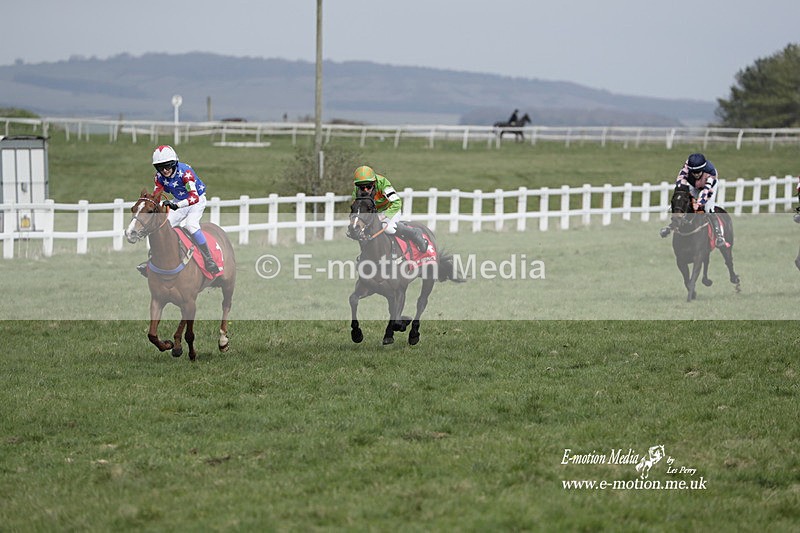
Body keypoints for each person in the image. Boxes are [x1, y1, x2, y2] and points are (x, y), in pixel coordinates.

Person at [137, 145, 220, 276]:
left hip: (196, 201)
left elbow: (193, 197)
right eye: (160, 167)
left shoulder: (185, 173)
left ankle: (209, 260)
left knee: (190, 225)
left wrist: (176, 205)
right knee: (161, 226)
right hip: (179, 201)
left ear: (174, 163)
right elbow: (156, 195)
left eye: (168, 166)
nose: (164, 170)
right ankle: (152, 261)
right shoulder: (158, 177)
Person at [352, 165, 431, 253]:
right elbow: (357, 206)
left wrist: (384, 216)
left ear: (374, 183)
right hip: (375, 213)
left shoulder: (383, 184)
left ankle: (414, 233)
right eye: (362, 187)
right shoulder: (357, 190)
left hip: (391, 209)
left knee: (388, 228)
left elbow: (397, 203)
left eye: (369, 186)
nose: (365, 190)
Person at [660, 152, 727, 248]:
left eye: (698, 172)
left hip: (708, 186)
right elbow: (680, 185)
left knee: (708, 209)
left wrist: (699, 204)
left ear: (703, 169)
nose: (696, 174)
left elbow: (705, 193)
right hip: (694, 184)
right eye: (693, 172)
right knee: (686, 203)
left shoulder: (711, 173)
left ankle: (719, 235)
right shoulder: (686, 169)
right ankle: (672, 226)